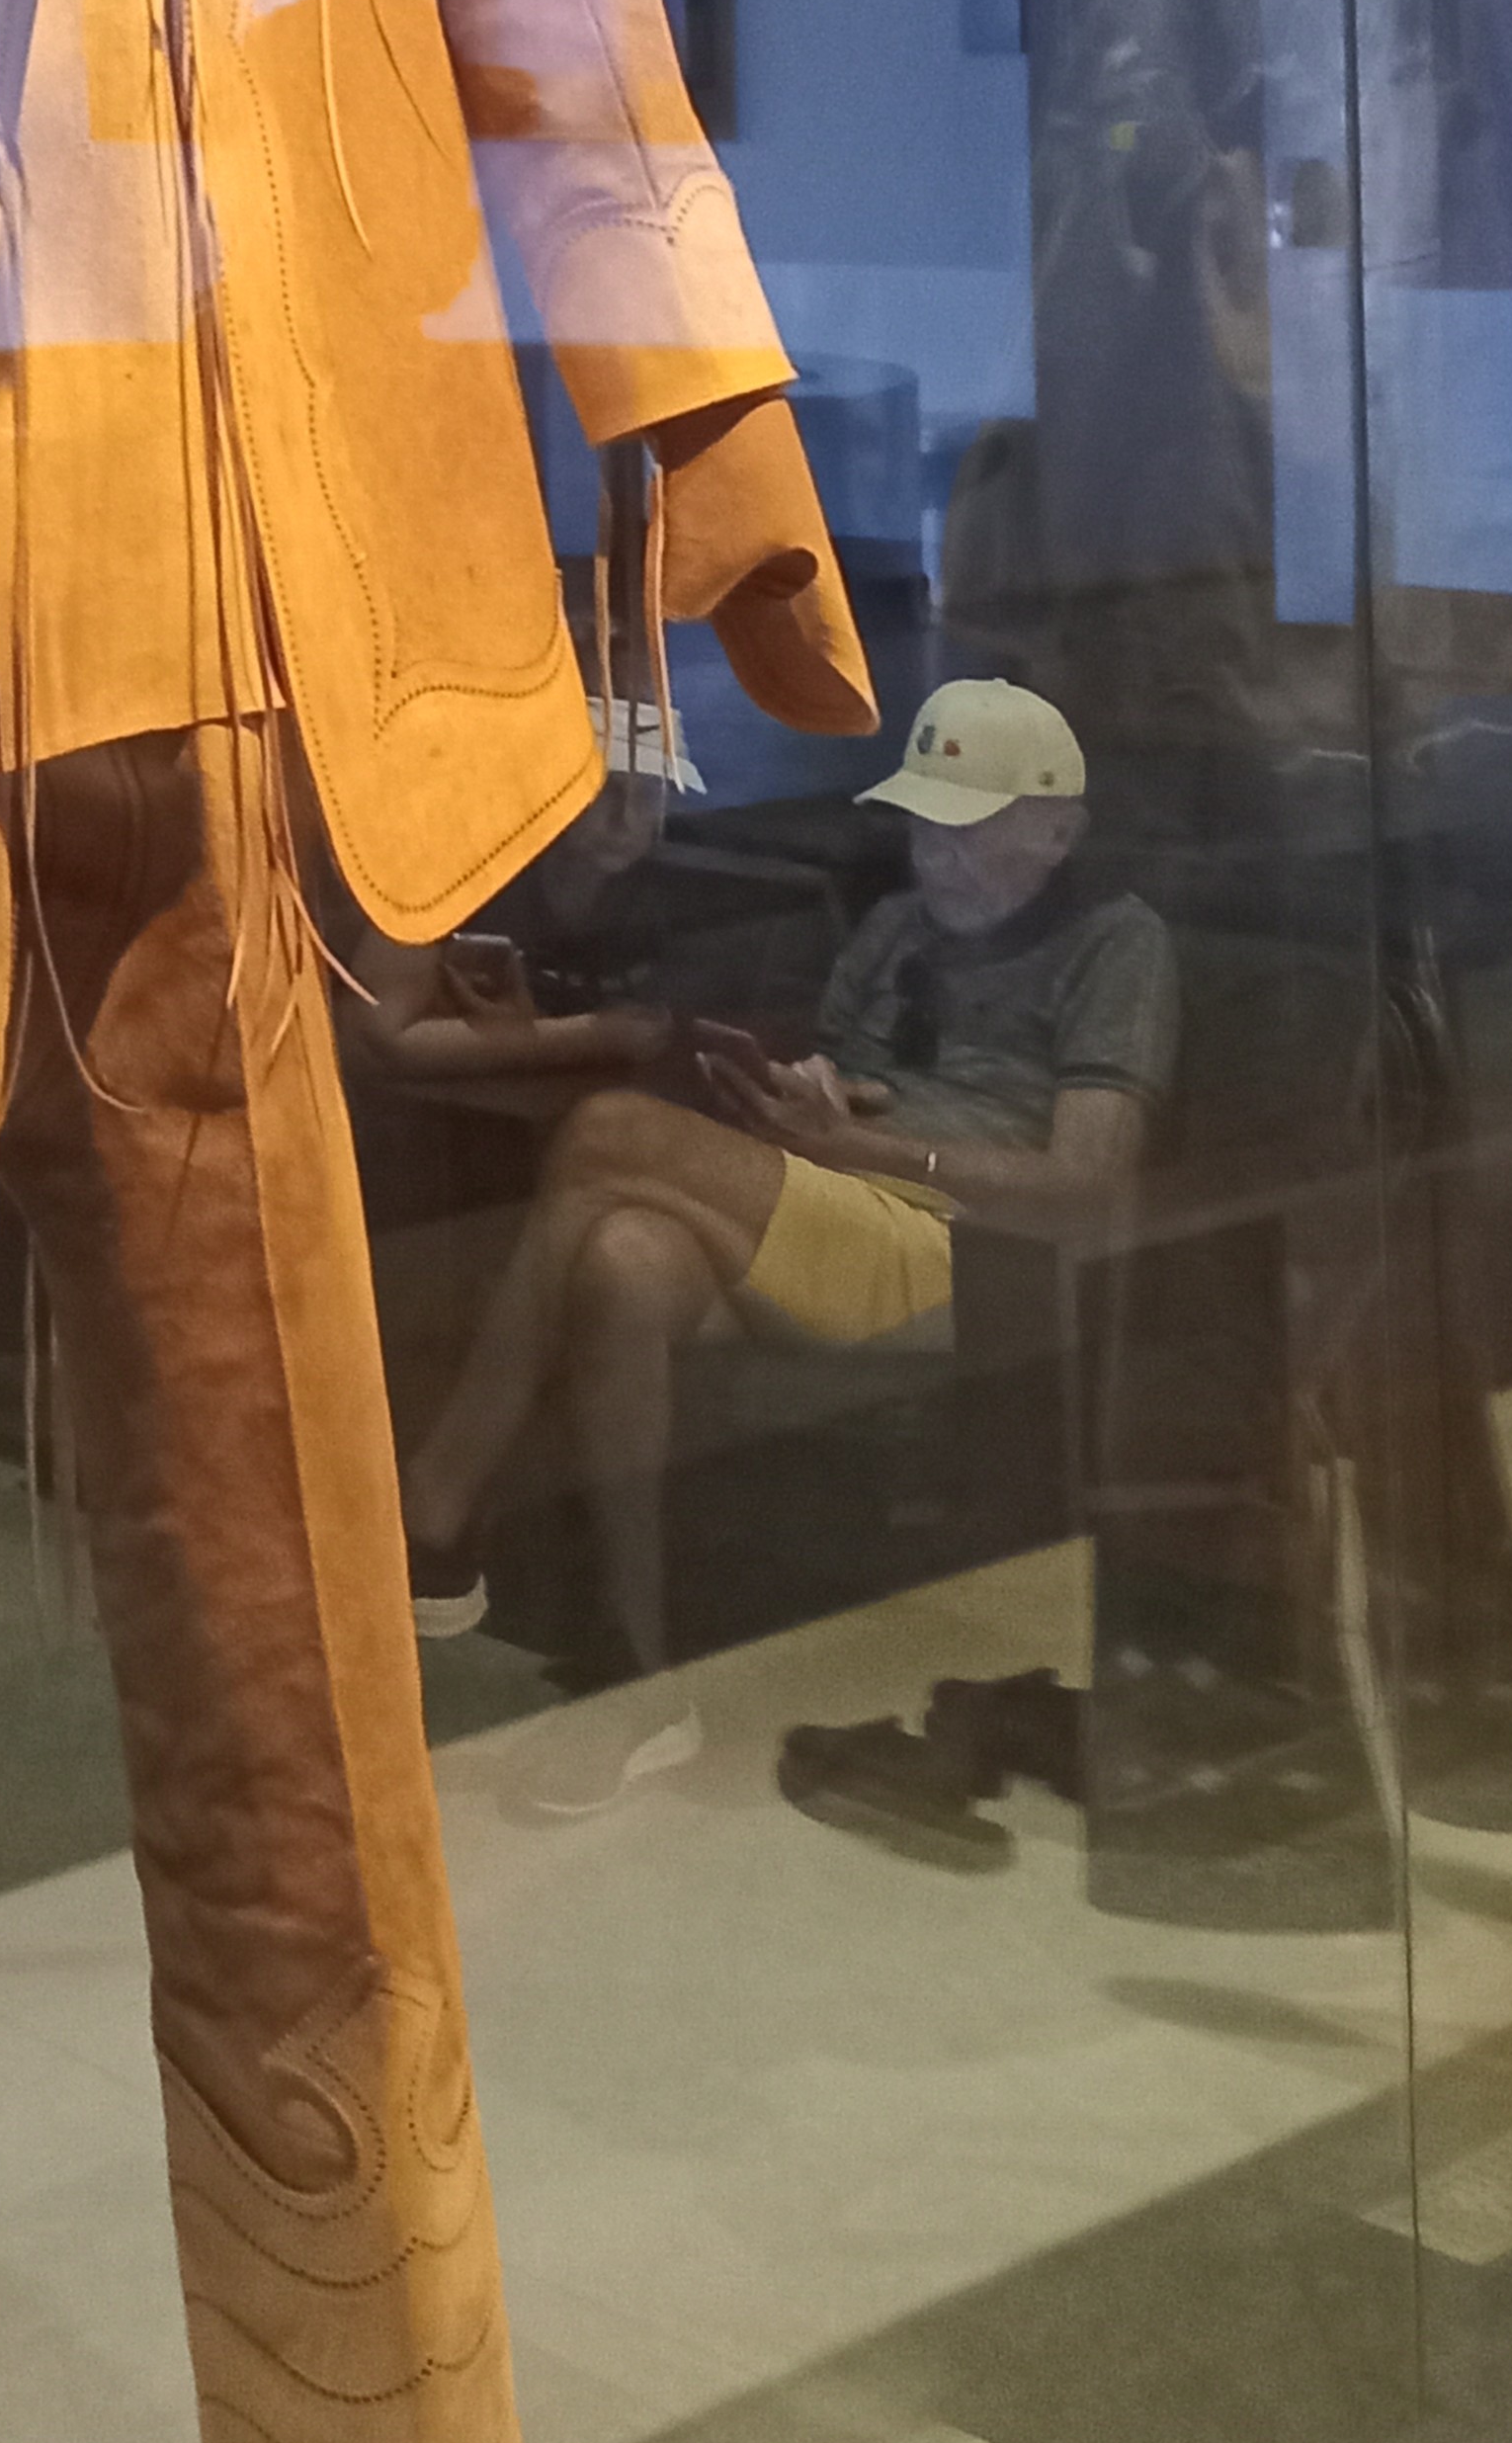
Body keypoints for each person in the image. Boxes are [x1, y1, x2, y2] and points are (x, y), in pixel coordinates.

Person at [375, 680, 1171, 1814]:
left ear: (1056, 830)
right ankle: (637, 1675)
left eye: (966, 827)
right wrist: (811, 1102)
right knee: (620, 1260)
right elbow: (844, 1088)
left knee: (605, 1132)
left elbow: (1086, 1183)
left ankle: (439, 1498)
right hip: (846, 1204)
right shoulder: (894, 926)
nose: (936, 855)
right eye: (922, 824)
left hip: (975, 1253)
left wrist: (866, 1146)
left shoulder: (1116, 942)